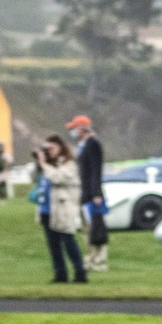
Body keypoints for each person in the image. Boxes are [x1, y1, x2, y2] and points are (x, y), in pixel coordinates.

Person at [32, 134, 88, 284]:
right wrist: (39, 164)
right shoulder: (48, 164)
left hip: (63, 209)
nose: (48, 151)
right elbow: (34, 179)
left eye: (51, 148)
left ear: (61, 147)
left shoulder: (70, 163)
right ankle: (60, 274)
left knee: (69, 242)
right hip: (47, 209)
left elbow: (58, 178)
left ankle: (80, 273)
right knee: (53, 245)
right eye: (46, 149)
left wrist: (45, 165)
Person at [69, 115, 108, 273]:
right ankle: (91, 258)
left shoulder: (93, 144)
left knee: (96, 227)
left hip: (92, 193)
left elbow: (96, 171)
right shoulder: (82, 145)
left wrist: (96, 193)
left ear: (82, 129)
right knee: (87, 228)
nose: (72, 132)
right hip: (84, 191)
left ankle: (99, 260)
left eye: (74, 128)